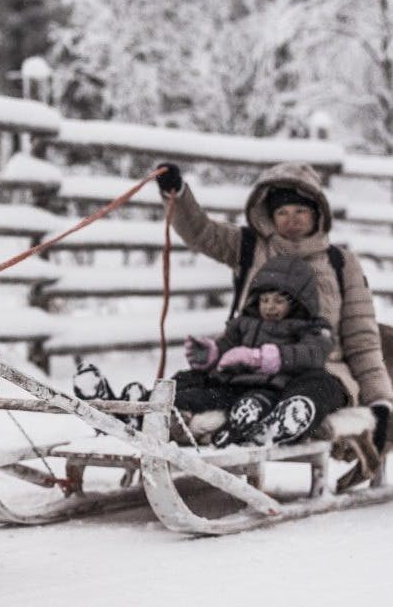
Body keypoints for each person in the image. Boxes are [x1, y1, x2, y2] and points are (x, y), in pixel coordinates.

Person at [156, 161, 392, 454]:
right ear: (269, 215)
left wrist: (380, 402)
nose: (291, 219)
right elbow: (202, 233)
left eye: (300, 211)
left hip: (319, 370)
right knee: (192, 382)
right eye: (282, 212)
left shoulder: (340, 264)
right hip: (250, 371)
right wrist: (177, 194)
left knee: (317, 388)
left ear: (318, 212)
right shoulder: (251, 247)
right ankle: (147, 408)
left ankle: (286, 420)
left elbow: (363, 342)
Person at [177, 254, 339, 447]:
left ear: (297, 303)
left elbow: (313, 352)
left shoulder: (310, 328)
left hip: (272, 388)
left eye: (278, 301)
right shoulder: (243, 324)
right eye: (264, 300)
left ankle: (248, 427)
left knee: (256, 403)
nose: (269, 307)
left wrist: (261, 358)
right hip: (232, 386)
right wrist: (211, 354)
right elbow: (226, 346)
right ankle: (152, 404)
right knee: (193, 386)